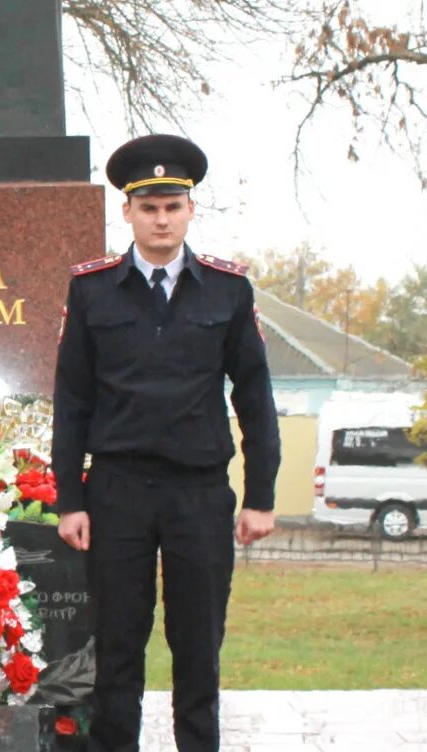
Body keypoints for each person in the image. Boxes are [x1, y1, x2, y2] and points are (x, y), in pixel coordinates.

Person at [51, 134, 281, 751]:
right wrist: (70, 499)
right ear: (127, 212)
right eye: (148, 207)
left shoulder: (228, 290)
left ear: (190, 211)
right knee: (118, 648)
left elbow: (254, 396)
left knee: (199, 648)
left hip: (198, 492)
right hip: (118, 494)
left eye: (172, 206)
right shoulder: (93, 289)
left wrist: (260, 495)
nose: (160, 218)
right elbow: (72, 402)